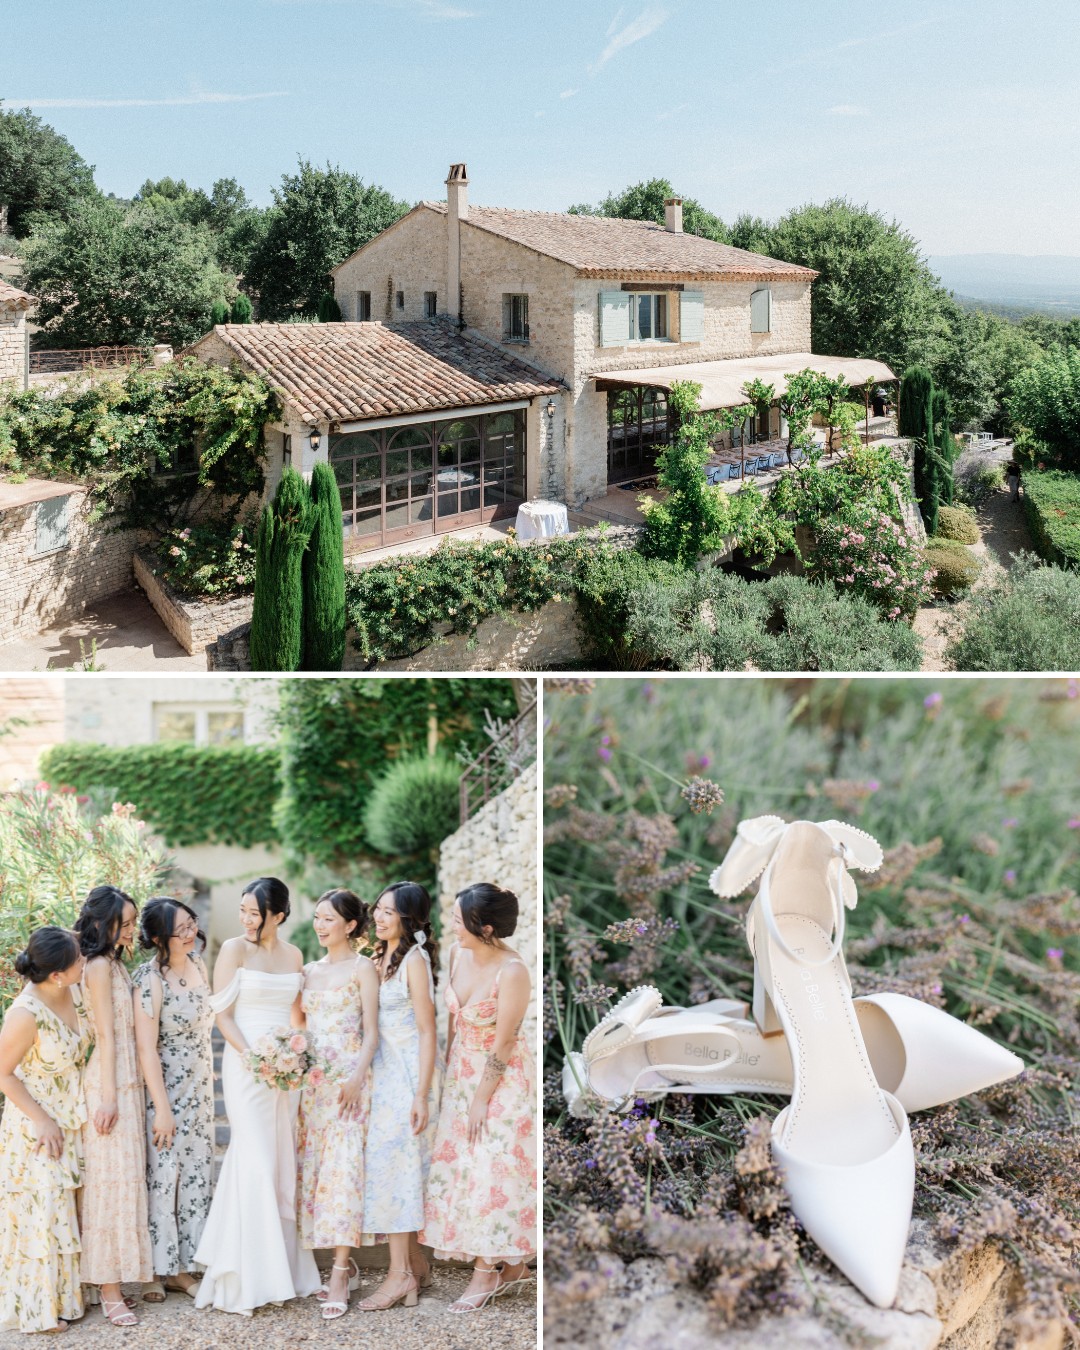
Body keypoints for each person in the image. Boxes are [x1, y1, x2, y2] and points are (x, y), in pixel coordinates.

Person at [193, 877, 321, 1316]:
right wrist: (255, 1059)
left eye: (255, 912)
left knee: (280, 1158)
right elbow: (222, 1016)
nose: (246, 919)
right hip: (247, 1064)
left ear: (279, 915)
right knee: (255, 1157)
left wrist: (296, 1053)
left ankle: (282, 1270)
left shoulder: (294, 955)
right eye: (243, 910)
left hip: (285, 1070)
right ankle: (244, 1276)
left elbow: (296, 1014)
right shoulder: (233, 950)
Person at [422, 883, 536, 1311]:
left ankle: (486, 1272)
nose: (451, 926)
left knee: (494, 1168)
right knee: (463, 1170)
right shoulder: (456, 954)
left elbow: (504, 1044)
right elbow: (454, 1021)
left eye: (458, 920)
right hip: (462, 1074)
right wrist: (454, 1077)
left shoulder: (513, 971)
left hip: (501, 1078)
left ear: (486, 928)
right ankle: (513, 1269)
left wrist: (480, 1098)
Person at [295, 890, 380, 1321]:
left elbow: (371, 1032)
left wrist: (356, 1076)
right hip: (313, 1086)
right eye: (317, 918)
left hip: (349, 1082)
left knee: (344, 1171)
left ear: (350, 925)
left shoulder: (364, 968)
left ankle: (342, 1271)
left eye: (329, 919)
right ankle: (326, 1263)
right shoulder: (307, 971)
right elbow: (298, 1026)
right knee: (317, 1171)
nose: (320, 925)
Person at [0, 928, 89, 1335]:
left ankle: (65, 1300)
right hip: (34, 1125)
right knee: (40, 1214)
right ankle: (36, 1311)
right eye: (79, 960)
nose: (84, 963)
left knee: (60, 1211)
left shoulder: (72, 992)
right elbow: (3, 1074)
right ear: (56, 974)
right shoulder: (25, 1013)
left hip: (68, 1118)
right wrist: (42, 1119)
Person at [358, 882, 440, 1312]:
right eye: (379, 910)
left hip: (408, 1074)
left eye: (389, 912)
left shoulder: (414, 960)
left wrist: (422, 1095)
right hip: (382, 1074)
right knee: (391, 1172)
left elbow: (428, 1031)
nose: (380, 917)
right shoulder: (379, 957)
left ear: (409, 918)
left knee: (398, 1173)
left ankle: (399, 1276)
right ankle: (413, 1265)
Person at [75, 886, 153, 1327]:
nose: (130, 931)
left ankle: (113, 1281)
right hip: (109, 1083)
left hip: (124, 1080)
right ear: (104, 923)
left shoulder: (115, 964)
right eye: (123, 923)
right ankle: (107, 1289)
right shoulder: (100, 966)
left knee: (122, 1181)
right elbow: (104, 1034)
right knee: (109, 1184)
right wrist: (108, 1095)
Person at [132, 898, 214, 1303]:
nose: (190, 932)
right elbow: (146, 1050)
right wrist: (162, 1108)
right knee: (164, 1176)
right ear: (159, 937)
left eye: (191, 923)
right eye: (181, 928)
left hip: (199, 1088)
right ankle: (158, 1270)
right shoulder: (148, 980)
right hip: (165, 1091)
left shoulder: (199, 964)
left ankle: (186, 1264)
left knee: (196, 1173)